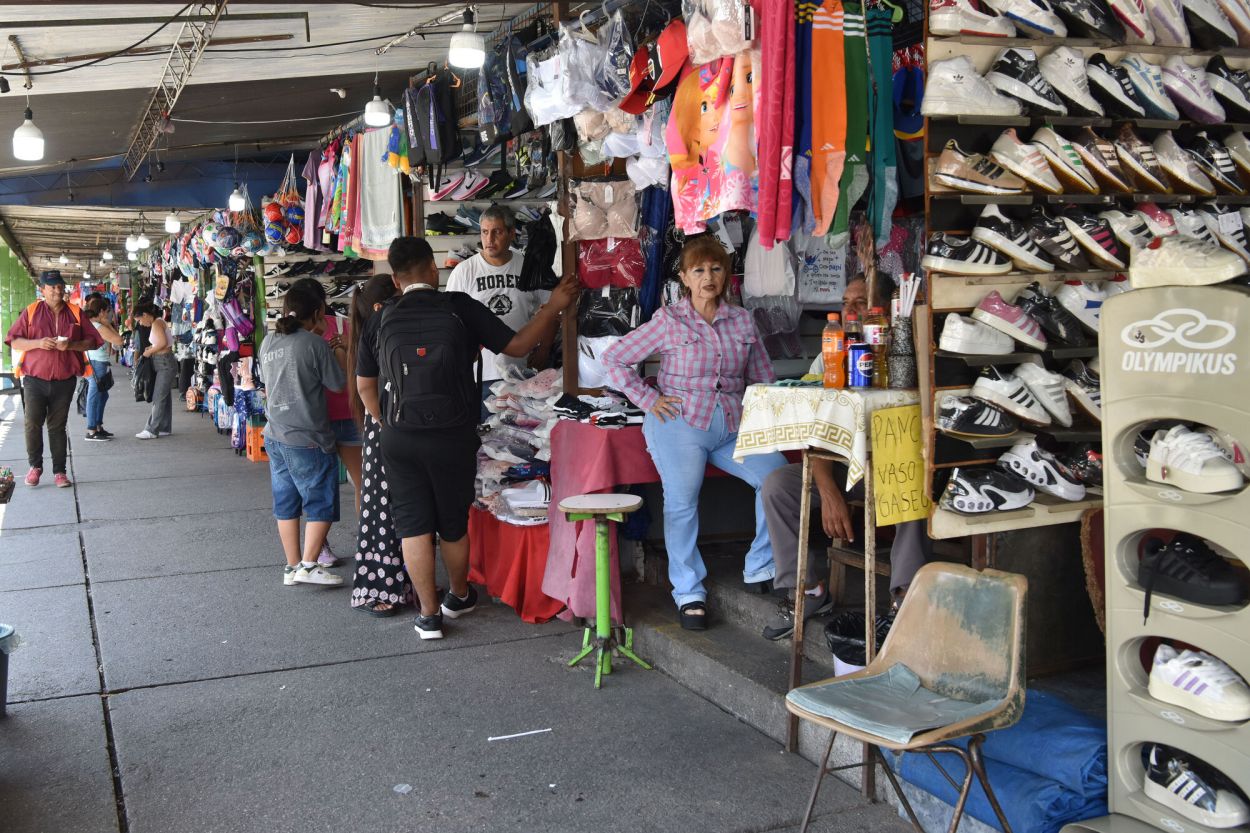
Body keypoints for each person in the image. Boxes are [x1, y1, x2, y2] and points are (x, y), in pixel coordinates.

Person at [355, 237, 578, 640]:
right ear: (431, 269)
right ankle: (458, 596)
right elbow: (518, 346)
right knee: (453, 523)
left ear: (396, 276)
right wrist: (553, 306)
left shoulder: (381, 317)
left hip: (400, 437)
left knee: (413, 525)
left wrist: (384, 422)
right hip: (452, 434)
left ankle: (427, 616)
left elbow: (365, 386)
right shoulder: (459, 308)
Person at [601, 236, 787, 631]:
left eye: (716, 269)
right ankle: (689, 592)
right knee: (682, 502)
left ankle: (761, 565)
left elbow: (763, 379)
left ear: (726, 275)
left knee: (777, 477)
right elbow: (614, 359)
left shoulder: (742, 321)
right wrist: (647, 399)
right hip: (680, 421)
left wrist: (771, 418)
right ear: (684, 277)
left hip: (732, 425)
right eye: (699, 270)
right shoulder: (670, 320)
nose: (708, 277)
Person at [260, 284, 348, 588]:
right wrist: (336, 346)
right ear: (319, 312)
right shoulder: (314, 344)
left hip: (275, 434)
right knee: (320, 502)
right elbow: (338, 384)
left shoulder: (268, 341)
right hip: (308, 437)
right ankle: (310, 566)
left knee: (285, 504)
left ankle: (292, 566)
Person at [344, 274, 411, 616]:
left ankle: (400, 583)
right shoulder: (379, 330)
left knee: (391, 507)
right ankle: (383, 586)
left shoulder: (369, 331)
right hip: (384, 427)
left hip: (382, 427)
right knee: (385, 509)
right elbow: (367, 389)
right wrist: (383, 421)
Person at [445, 204, 547, 418]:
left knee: (517, 440)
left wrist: (544, 348)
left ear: (511, 233)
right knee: (483, 439)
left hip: (521, 371)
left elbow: (550, 309)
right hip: (480, 373)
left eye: (497, 232)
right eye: (484, 232)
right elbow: (449, 322)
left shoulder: (529, 266)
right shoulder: (464, 271)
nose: (489, 239)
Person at [4, 270, 103, 488]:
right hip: (34, 379)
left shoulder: (76, 312)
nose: (58, 291)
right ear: (43, 290)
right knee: (32, 423)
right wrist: (38, 343)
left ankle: (60, 472)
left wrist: (71, 345)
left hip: (64, 380)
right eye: (52, 287)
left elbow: (93, 341)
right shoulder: (31, 312)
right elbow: (14, 340)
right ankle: (35, 467)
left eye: (60, 286)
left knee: (57, 426)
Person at [289, 276, 356, 568]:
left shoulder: (343, 326)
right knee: (317, 489)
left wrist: (347, 349)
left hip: (348, 415)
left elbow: (356, 371)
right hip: (315, 420)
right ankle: (320, 548)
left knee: (362, 483)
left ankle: (368, 539)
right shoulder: (292, 334)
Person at [82, 293, 123, 442]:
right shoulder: (98, 326)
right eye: (106, 312)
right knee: (95, 395)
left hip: (98, 362)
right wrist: (107, 324)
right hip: (96, 363)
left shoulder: (93, 324)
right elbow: (119, 340)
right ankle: (91, 429)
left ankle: (98, 426)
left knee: (102, 394)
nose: (108, 315)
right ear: (100, 312)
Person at [134, 303, 177, 440]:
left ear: (146, 315)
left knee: (159, 396)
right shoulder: (159, 322)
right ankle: (164, 427)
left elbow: (162, 343)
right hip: (164, 361)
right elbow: (161, 343)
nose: (141, 324)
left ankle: (151, 429)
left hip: (164, 362)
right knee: (164, 396)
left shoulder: (157, 323)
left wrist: (149, 352)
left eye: (140, 320)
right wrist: (151, 349)